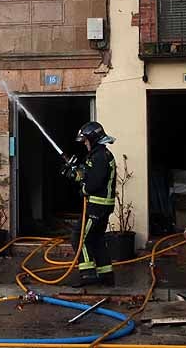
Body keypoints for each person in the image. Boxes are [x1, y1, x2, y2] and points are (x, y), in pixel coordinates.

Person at [65, 121, 117, 287]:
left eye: (86, 140)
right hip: (101, 205)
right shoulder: (98, 155)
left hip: (97, 205)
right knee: (97, 239)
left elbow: (93, 184)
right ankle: (106, 275)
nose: (85, 144)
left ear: (93, 139)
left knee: (80, 238)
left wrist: (83, 188)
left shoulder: (100, 157)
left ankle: (88, 275)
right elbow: (88, 174)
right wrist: (76, 171)